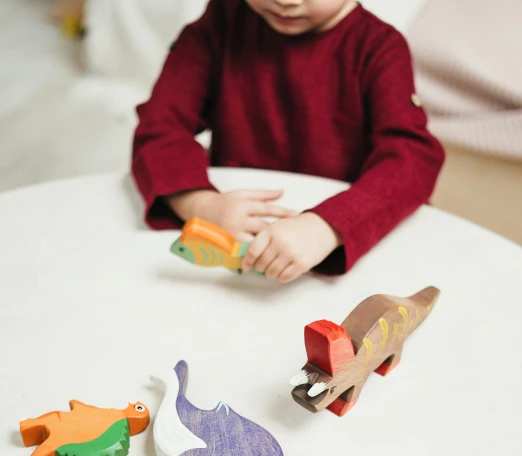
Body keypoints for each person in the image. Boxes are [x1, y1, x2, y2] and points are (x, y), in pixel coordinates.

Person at [132, 0, 445, 282]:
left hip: (339, 257)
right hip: (236, 251)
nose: (285, 1)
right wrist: (200, 204)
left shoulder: (379, 47)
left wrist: (329, 227)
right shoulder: (220, 22)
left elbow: (413, 159)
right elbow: (160, 126)